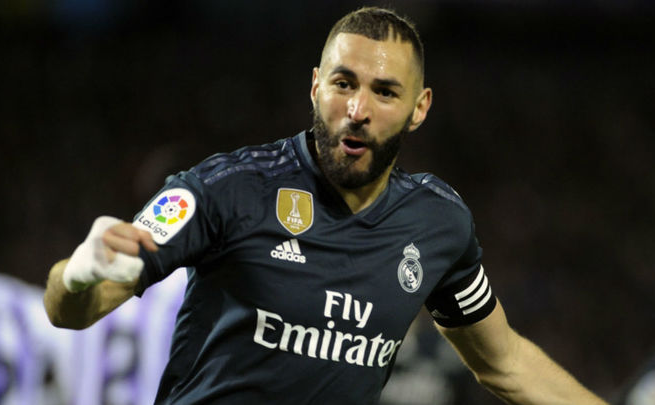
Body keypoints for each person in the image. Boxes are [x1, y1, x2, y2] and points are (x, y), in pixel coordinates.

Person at [44, 7, 608, 405]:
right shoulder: (228, 188)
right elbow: (72, 311)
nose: (357, 109)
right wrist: (77, 276)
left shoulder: (438, 224)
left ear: (419, 108)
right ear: (315, 86)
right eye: (344, 83)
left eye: (384, 91)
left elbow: (505, 363)